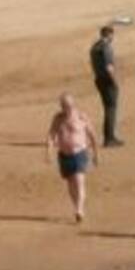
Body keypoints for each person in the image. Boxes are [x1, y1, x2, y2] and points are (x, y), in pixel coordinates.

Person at [46, 92, 99, 223]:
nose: (66, 109)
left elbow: (92, 135)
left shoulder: (81, 117)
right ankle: (76, 207)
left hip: (79, 152)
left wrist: (96, 154)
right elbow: (51, 135)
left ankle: (80, 209)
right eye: (64, 106)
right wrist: (48, 151)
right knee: (70, 183)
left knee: (79, 180)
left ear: (73, 105)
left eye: (68, 106)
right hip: (64, 155)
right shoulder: (58, 118)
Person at [89, 25, 123, 146]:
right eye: (112, 35)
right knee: (111, 109)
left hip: (98, 79)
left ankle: (109, 137)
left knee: (107, 108)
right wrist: (114, 82)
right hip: (107, 81)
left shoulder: (94, 47)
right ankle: (109, 138)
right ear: (109, 35)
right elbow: (109, 67)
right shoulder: (106, 47)